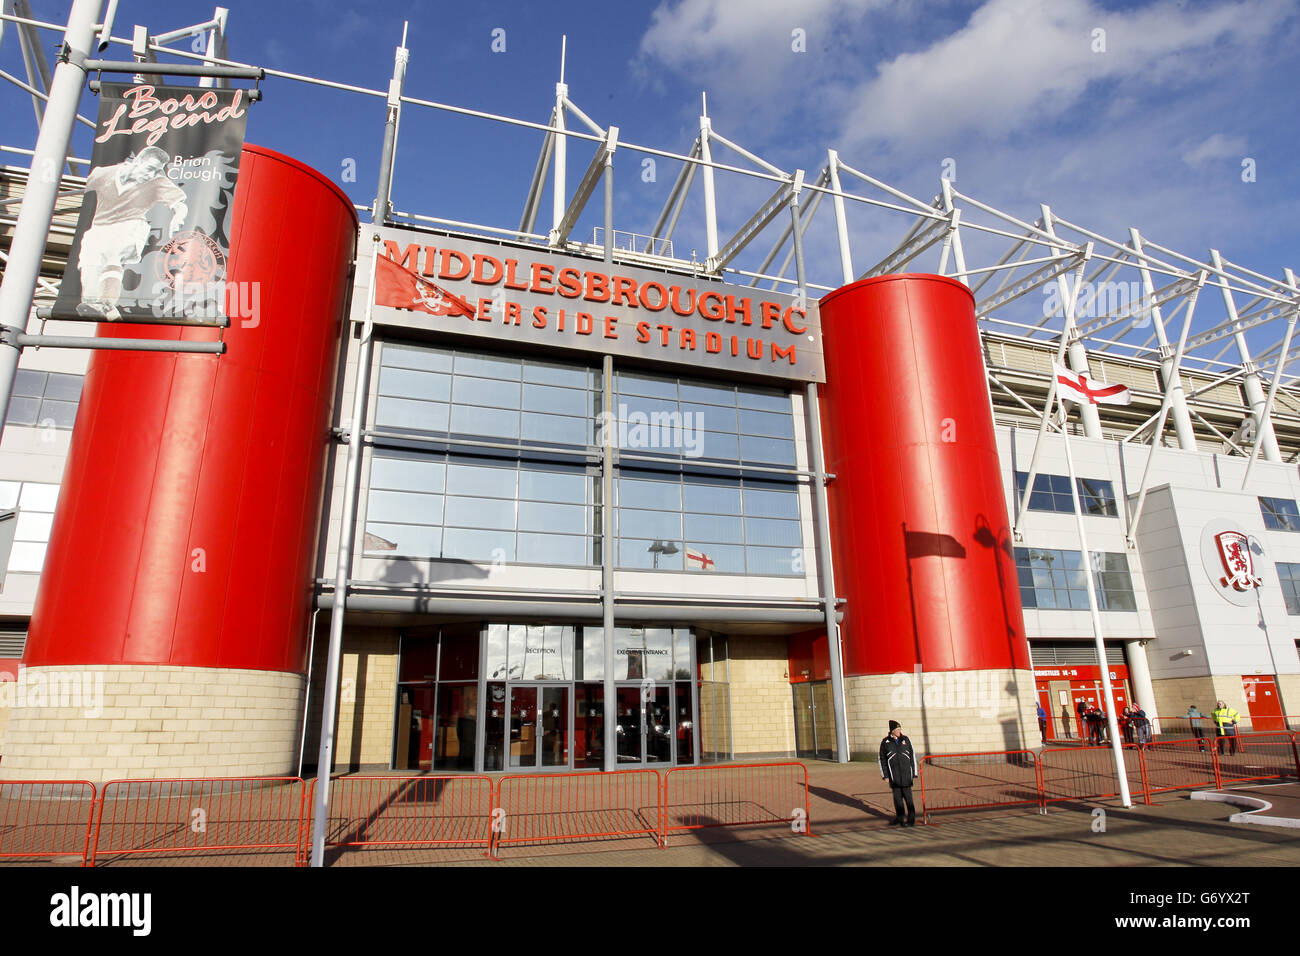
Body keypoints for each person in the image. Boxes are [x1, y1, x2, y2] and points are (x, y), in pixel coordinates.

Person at [76, 146, 188, 321]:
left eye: (156, 171)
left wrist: (177, 217)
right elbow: (81, 187)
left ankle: (106, 301)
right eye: (150, 169)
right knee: (89, 258)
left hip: (132, 224)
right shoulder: (105, 174)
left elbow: (180, 204)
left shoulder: (157, 183)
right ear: (138, 162)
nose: (151, 175)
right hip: (100, 225)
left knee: (113, 254)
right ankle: (92, 302)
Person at [879, 719, 919, 827]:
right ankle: (900, 818)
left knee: (909, 799)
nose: (899, 731)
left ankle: (911, 820)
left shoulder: (906, 740)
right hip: (894, 776)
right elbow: (882, 759)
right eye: (897, 729)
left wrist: (914, 772)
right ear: (892, 731)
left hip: (906, 775)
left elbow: (912, 756)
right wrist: (885, 776)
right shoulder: (885, 742)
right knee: (897, 800)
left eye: (900, 729)